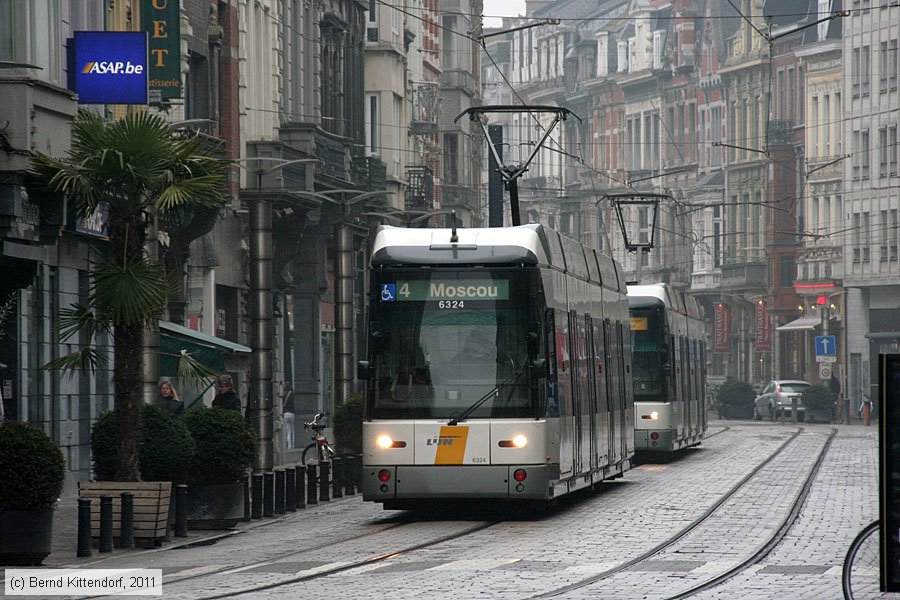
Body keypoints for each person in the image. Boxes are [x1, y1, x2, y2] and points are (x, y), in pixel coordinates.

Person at [283, 382, 295, 449]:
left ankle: (289, 446)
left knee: (288, 430)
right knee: (292, 430)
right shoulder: (292, 394)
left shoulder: (283, 394)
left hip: (285, 413)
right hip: (292, 413)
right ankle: (293, 445)